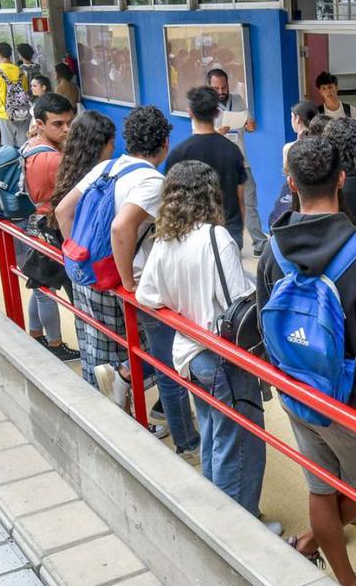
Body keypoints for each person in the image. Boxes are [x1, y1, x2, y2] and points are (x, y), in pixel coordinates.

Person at [256, 136, 356, 586]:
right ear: (341, 178)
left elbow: (263, 318)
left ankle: (346, 581)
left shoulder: (271, 250)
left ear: (291, 182)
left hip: (295, 390)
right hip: (351, 399)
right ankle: (326, 558)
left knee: (321, 486)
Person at [54, 106, 200, 458]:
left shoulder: (107, 166)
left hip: (92, 275)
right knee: (166, 359)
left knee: (138, 348)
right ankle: (185, 440)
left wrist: (80, 256)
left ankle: (121, 379)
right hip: (133, 282)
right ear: (164, 144)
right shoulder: (152, 181)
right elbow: (122, 228)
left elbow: (62, 211)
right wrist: (127, 282)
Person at [137, 160, 272, 528]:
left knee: (213, 437)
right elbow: (236, 302)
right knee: (238, 444)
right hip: (221, 359)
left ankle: (214, 520)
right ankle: (238, 528)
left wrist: (186, 304)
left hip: (189, 352)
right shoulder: (216, 238)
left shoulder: (165, 241)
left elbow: (147, 295)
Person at [18, 93, 79, 362]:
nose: (65, 129)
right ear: (40, 124)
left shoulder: (31, 145)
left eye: (68, 123)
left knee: (39, 285)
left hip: (35, 224)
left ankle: (34, 334)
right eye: (58, 124)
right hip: (50, 227)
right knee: (46, 290)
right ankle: (54, 343)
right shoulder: (52, 159)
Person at [165, 86, 248, 249]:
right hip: (228, 230)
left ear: (190, 112)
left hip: (190, 234)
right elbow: (240, 198)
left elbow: (170, 201)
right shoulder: (233, 151)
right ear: (217, 112)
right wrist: (238, 229)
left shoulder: (178, 154)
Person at [207, 67, 265, 257]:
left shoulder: (238, 100)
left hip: (240, 161)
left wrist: (250, 126)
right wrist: (216, 133)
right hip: (218, 165)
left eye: (224, 87)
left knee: (250, 202)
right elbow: (198, 136)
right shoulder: (205, 107)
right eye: (217, 88)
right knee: (222, 205)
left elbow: (247, 126)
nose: (221, 92)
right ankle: (227, 245)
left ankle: (259, 242)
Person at [0, 42, 30, 147]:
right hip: (22, 113)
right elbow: (25, 92)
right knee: (23, 146)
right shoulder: (21, 71)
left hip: (3, 114)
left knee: (7, 148)